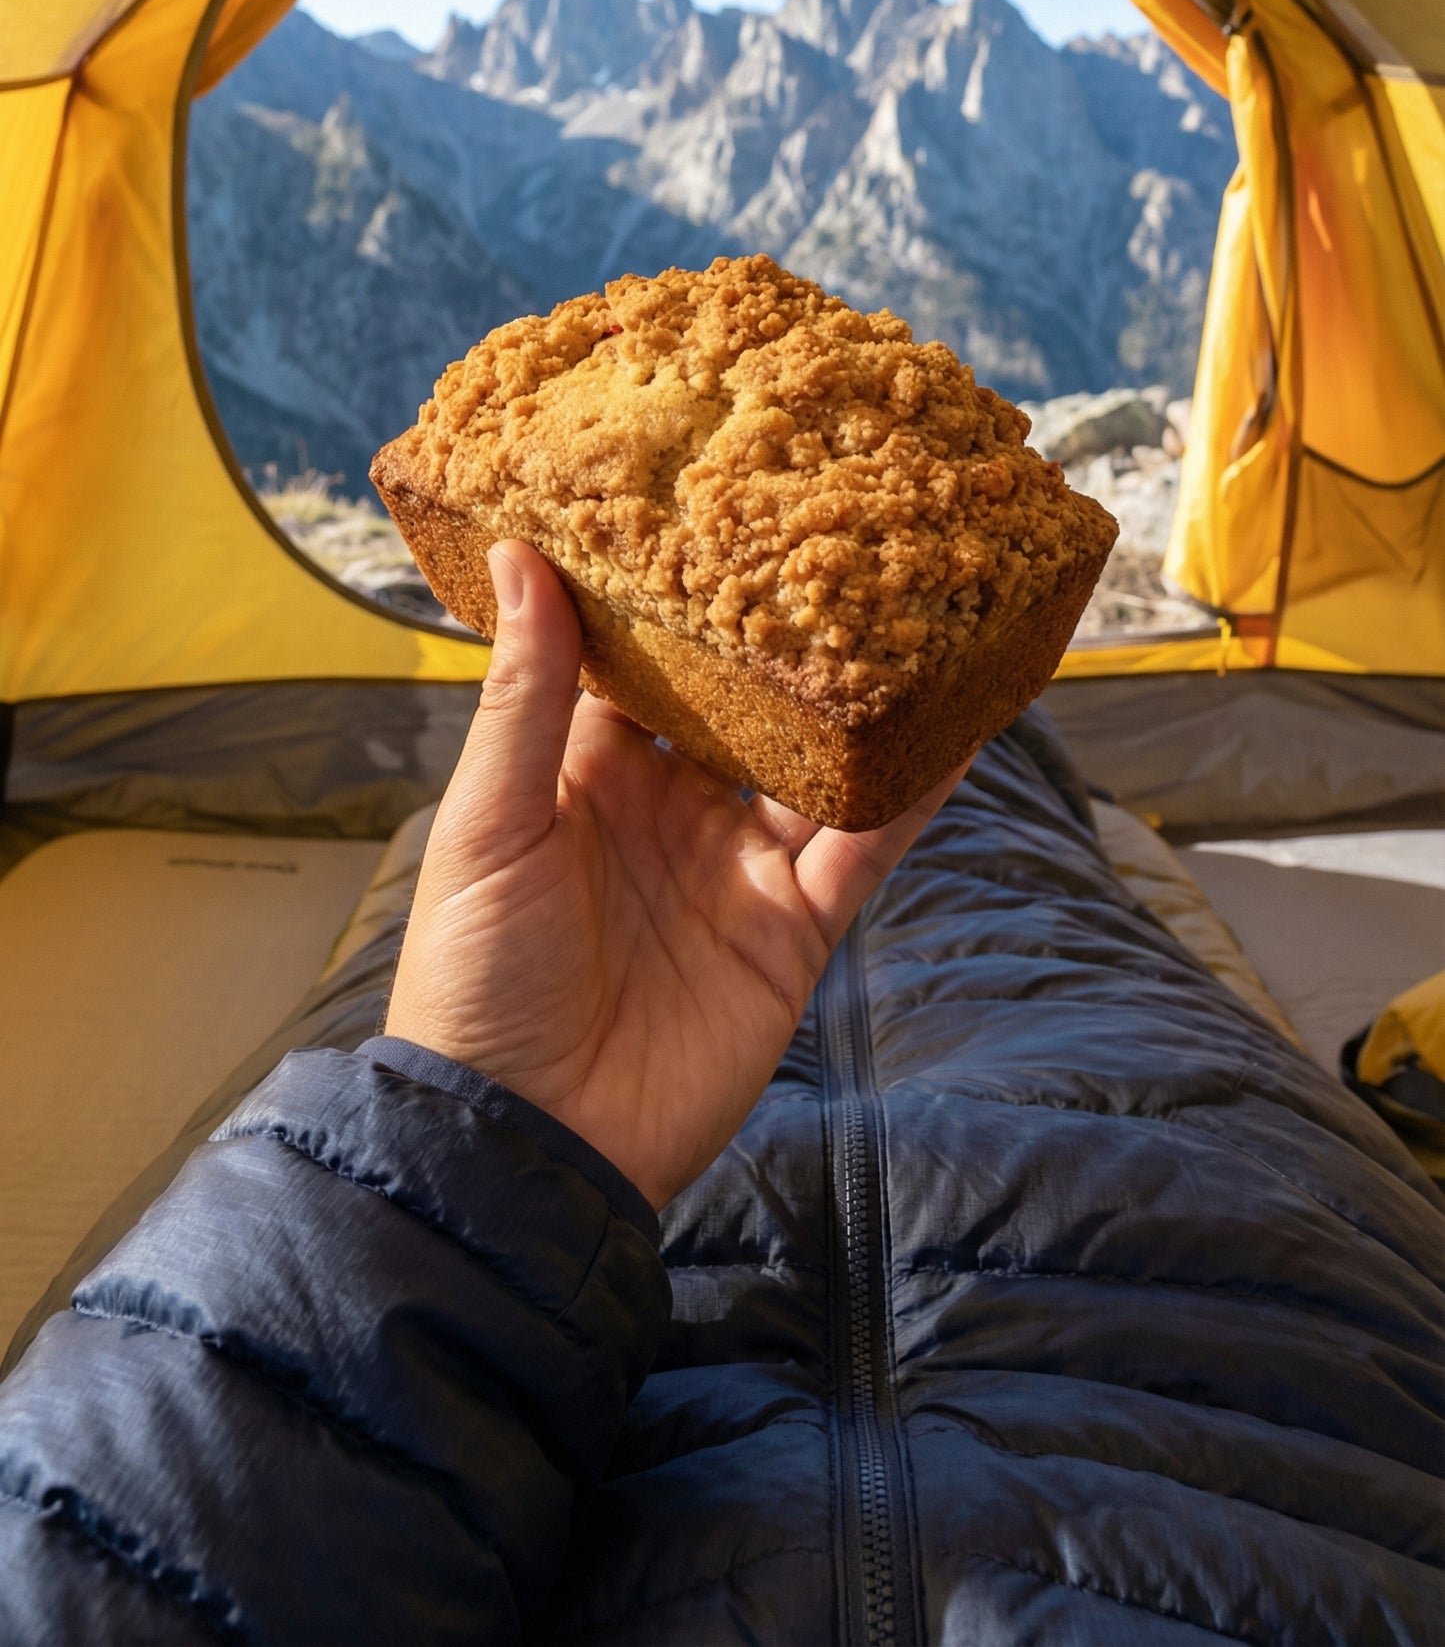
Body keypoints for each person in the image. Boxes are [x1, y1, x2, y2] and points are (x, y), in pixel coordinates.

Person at [0, 546, 1438, 1641]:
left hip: (495, 1150)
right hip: (1276, 1286)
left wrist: (459, 1134)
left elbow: (99, 1554)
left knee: (513, 837)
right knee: (991, 791)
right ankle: (1016, 764)